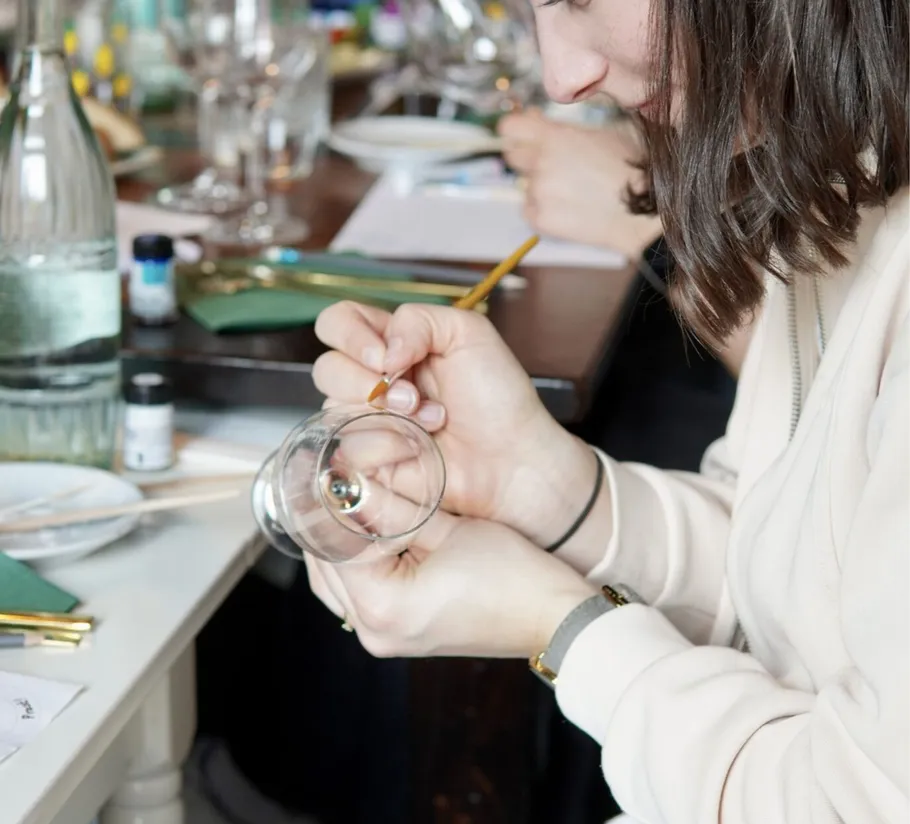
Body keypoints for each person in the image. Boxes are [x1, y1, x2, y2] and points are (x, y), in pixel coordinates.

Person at [307, 0, 909, 821]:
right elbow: (787, 554)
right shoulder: (847, 168)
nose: (566, 77)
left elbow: (857, 802)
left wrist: (567, 627)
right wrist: (546, 486)